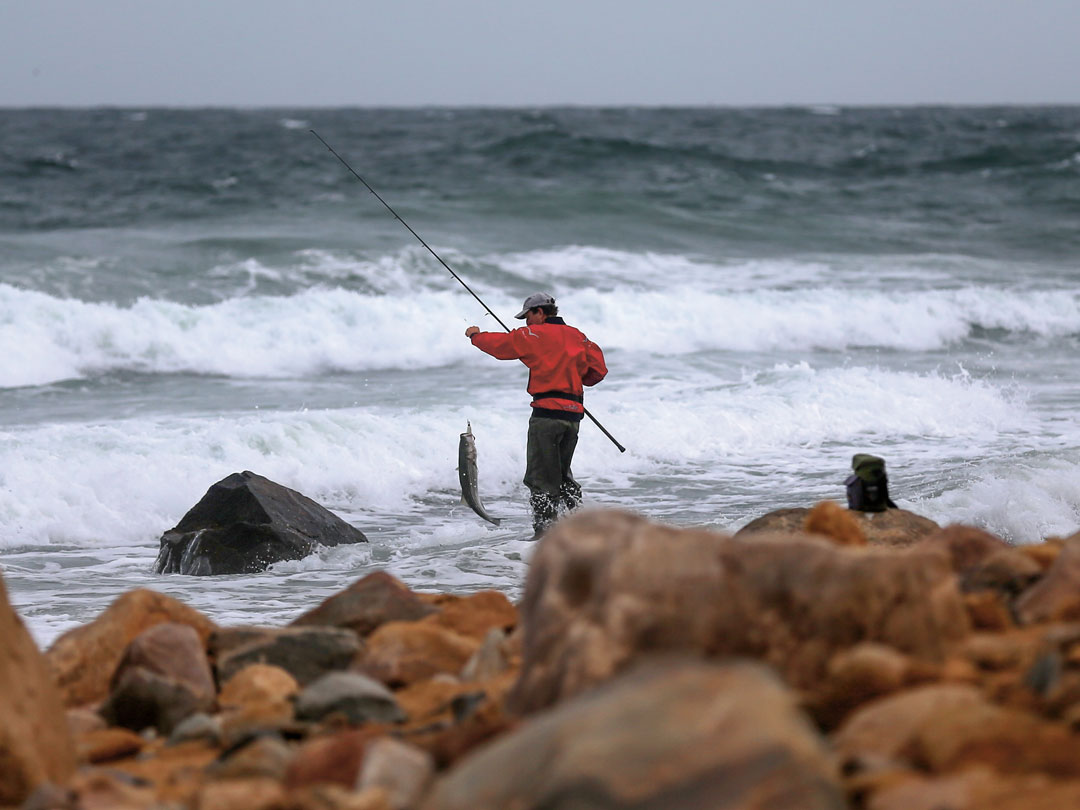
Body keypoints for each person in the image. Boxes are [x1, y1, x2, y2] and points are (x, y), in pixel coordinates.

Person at [465, 292, 607, 537]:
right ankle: (580, 526)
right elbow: (598, 371)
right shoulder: (578, 336)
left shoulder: (531, 334)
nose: (525, 322)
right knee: (562, 476)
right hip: (573, 417)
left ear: (540, 312)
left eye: (527, 316)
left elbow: (501, 347)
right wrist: (570, 375)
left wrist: (475, 336)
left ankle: (545, 534)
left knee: (540, 478)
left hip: (546, 417)